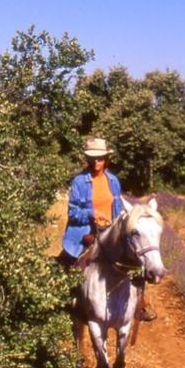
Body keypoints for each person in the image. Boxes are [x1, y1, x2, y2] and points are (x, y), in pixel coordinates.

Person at [60, 136, 155, 321]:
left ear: (106, 159)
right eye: (93, 158)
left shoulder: (113, 181)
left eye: (100, 157)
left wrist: (119, 224)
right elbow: (73, 213)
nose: (96, 161)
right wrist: (92, 214)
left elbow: (118, 210)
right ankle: (72, 302)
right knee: (70, 264)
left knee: (136, 259)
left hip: (110, 231)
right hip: (85, 233)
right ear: (87, 159)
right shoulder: (79, 182)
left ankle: (140, 301)